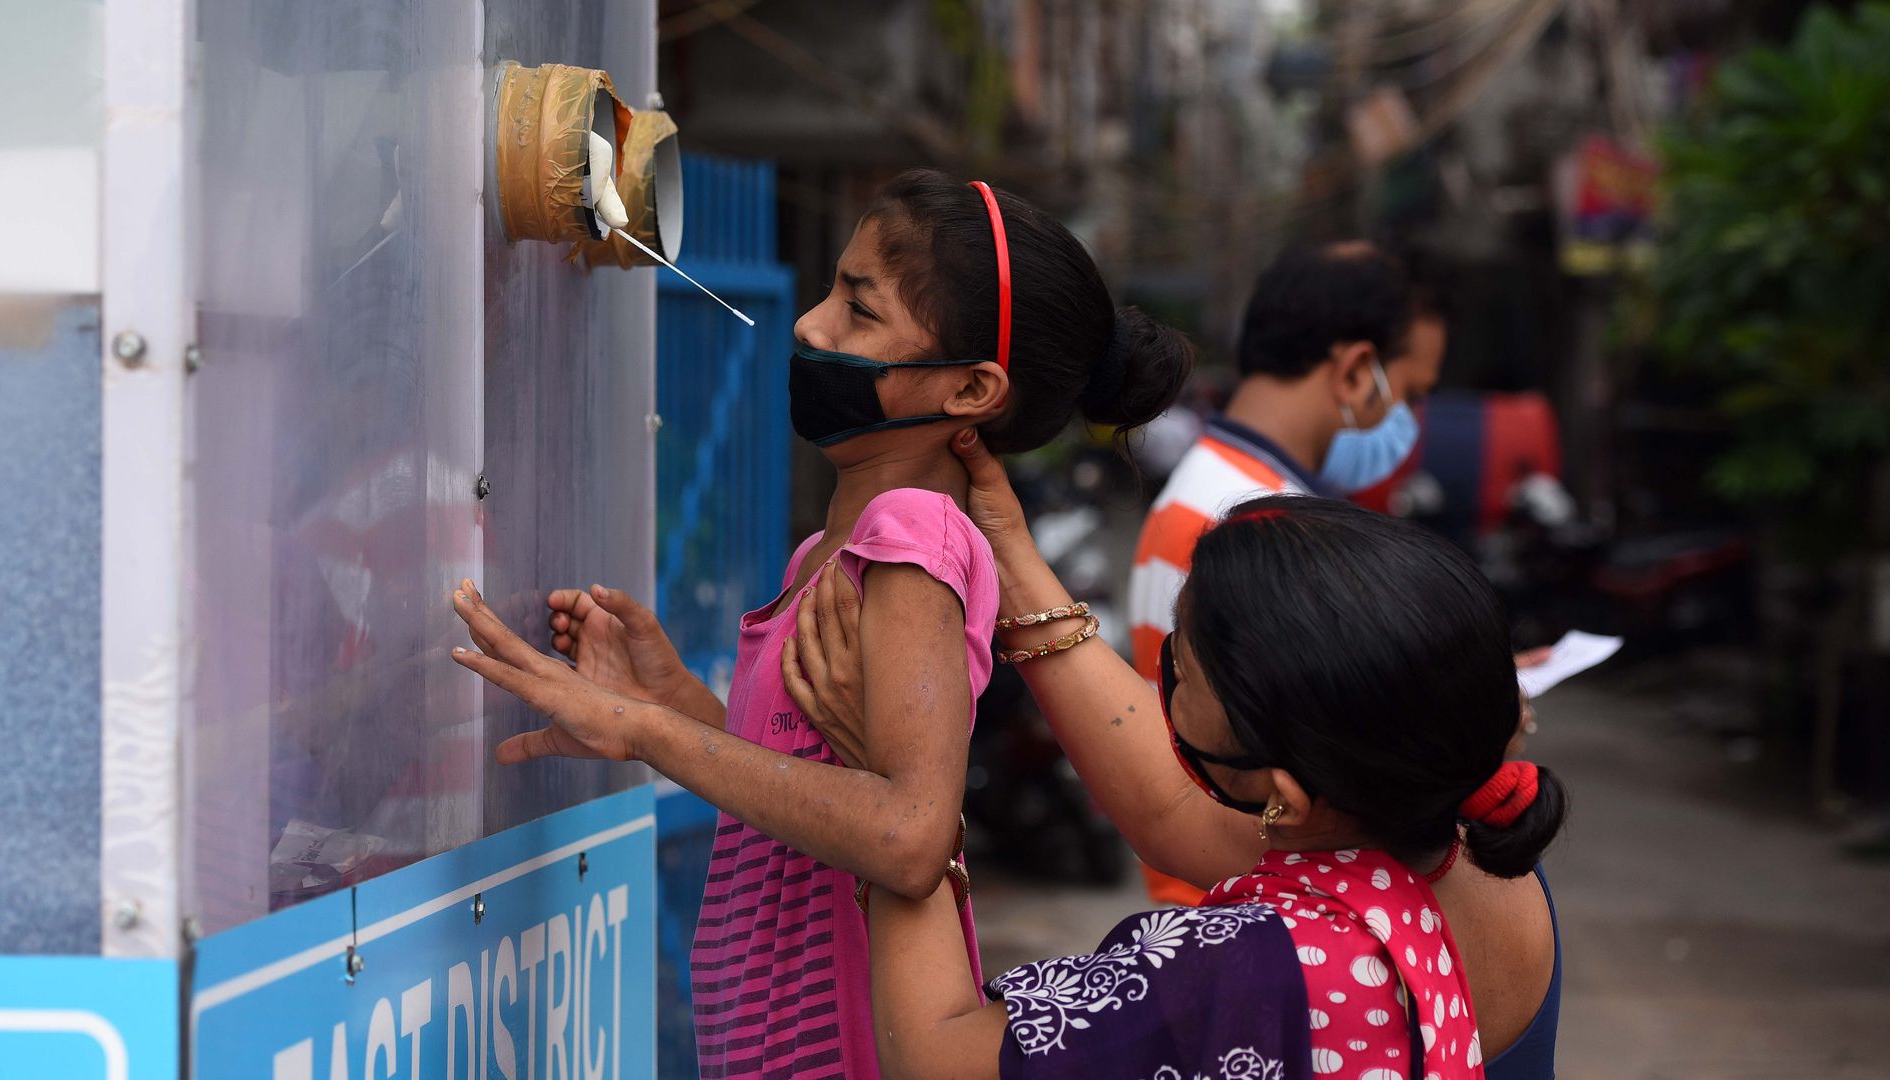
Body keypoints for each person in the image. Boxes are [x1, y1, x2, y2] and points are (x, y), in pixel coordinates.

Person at [446, 168, 1193, 1078]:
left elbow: (910, 836)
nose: (812, 324)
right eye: (833, 290)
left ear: (970, 390)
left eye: (858, 309)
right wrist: (676, 706)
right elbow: (812, 796)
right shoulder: (824, 557)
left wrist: (637, 726)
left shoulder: (912, 536)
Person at [786, 452, 1564, 1078]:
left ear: (1283, 799)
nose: (1164, 673)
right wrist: (1010, 548)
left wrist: (901, 786)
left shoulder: (1234, 968)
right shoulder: (1474, 850)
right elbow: (1171, 811)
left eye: (1182, 668)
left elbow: (935, 1055)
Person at [1128, 242, 1473, 905]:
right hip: (1241, 908)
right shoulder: (1242, 523)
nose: (1408, 422)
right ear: (1355, 371)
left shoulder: (1234, 496)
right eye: (1411, 395)